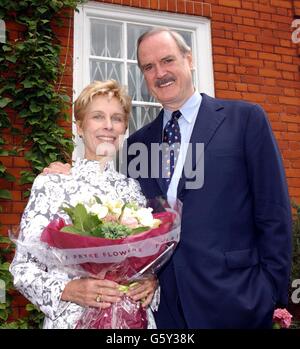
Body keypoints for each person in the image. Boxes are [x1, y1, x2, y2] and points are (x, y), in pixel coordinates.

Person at [43, 28, 292, 329]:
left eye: (168, 60)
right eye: (148, 67)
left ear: (189, 59)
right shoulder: (137, 144)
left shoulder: (245, 120)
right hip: (161, 306)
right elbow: (117, 208)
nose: (160, 73)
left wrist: (270, 293)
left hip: (236, 301)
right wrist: (70, 173)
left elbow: (273, 211)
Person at [10, 80, 158, 329]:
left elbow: (144, 263)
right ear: (79, 126)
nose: (109, 126)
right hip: (73, 320)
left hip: (134, 320)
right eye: (98, 117)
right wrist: (69, 289)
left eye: (117, 118)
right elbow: (22, 269)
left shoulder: (133, 190)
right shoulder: (53, 183)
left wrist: (151, 282)